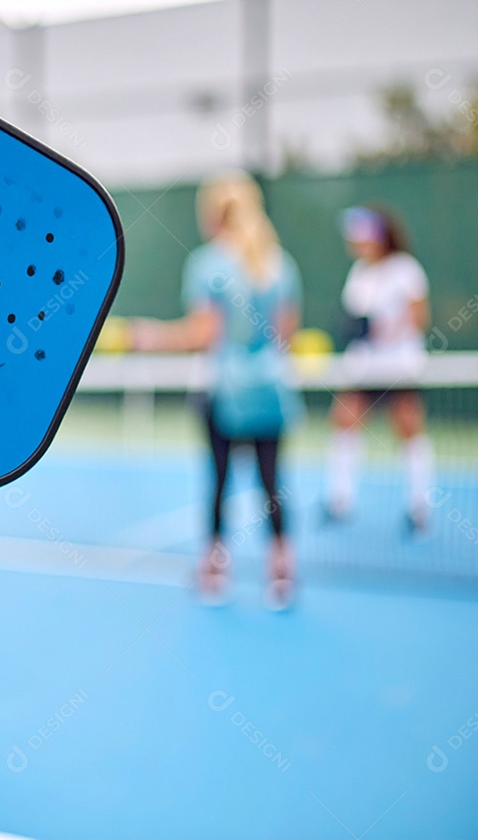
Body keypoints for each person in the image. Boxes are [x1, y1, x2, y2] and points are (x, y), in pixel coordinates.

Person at [132, 172, 302, 609]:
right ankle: (282, 574)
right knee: (272, 483)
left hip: (223, 392)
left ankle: (214, 572)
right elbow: (287, 336)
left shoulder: (208, 264)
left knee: (219, 481)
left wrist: (151, 337)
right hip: (271, 389)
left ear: (213, 213)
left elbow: (202, 333)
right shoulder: (280, 263)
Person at [324, 206, 433, 533]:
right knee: (344, 419)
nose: (358, 242)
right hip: (365, 365)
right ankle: (340, 500)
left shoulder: (406, 269)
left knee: (408, 427)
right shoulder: (358, 273)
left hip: (400, 364)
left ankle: (420, 505)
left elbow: (418, 317)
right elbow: (355, 319)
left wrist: (386, 330)